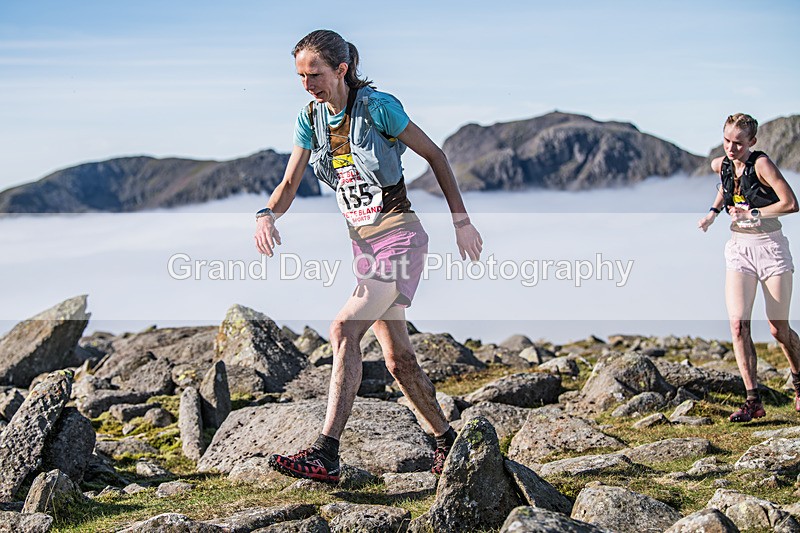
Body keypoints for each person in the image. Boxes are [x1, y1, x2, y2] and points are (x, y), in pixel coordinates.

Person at [254, 29, 483, 483]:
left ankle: (326, 452)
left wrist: (461, 222)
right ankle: (448, 442)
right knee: (398, 360)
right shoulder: (310, 119)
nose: (307, 84)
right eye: (300, 76)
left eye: (314, 74)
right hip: (365, 248)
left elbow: (436, 155)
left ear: (341, 68)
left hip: (401, 239)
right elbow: (288, 185)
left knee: (343, 328)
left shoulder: (378, 108)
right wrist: (266, 214)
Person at [698, 113, 800, 422]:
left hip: (770, 248)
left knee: (777, 328)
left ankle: (799, 382)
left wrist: (754, 214)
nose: (731, 148)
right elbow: (724, 181)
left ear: (752, 142)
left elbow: (791, 203)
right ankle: (752, 400)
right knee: (738, 325)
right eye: (727, 140)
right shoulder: (723, 162)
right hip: (739, 250)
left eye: (739, 144)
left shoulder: (762, 164)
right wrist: (713, 213)